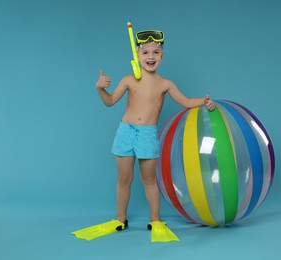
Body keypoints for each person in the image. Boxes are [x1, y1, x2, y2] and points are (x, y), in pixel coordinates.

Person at [72, 29, 215, 243]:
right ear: (137, 56)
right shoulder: (129, 80)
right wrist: (99, 89)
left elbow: (185, 102)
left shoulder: (165, 84)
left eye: (155, 52)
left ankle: (155, 219)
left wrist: (204, 102)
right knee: (124, 179)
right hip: (125, 132)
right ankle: (121, 218)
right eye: (146, 52)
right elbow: (110, 101)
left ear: (162, 56)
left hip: (147, 135)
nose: (150, 57)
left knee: (149, 179)